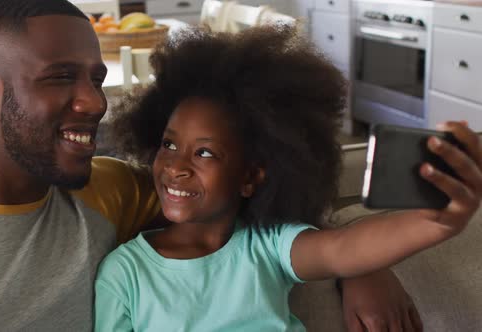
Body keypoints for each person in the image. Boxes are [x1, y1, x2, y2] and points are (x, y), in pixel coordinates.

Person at [0, 0, 424, 330]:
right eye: (60, 77)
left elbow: (257, 193)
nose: (94, 102)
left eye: (95, 78)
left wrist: (362, 265)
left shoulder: (111, 189)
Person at [94, 25, 482, 331]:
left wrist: (438, 220)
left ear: (250, 177)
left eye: (205, 152)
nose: (176, 166)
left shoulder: (267, 247)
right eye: (169, 144)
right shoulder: (124, 274)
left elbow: (344, 248)